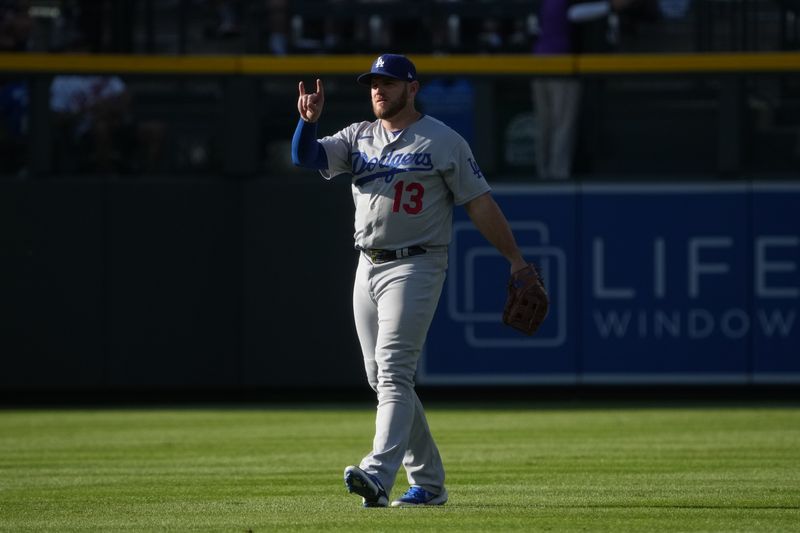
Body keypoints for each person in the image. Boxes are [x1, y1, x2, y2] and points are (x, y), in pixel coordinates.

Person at [291, 54, 529, 507]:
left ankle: (377, 473)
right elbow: (305, 157)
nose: (378, 89)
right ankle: (431, 484)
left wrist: (514, 259)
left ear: (412, 88)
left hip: (416, 264)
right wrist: (308, 122)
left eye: (388, 82)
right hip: (368, 264)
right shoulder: (358, 135)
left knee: (395, 370)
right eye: (373, 83)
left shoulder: (443, 140)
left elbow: (479, 203)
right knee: (380, 377)